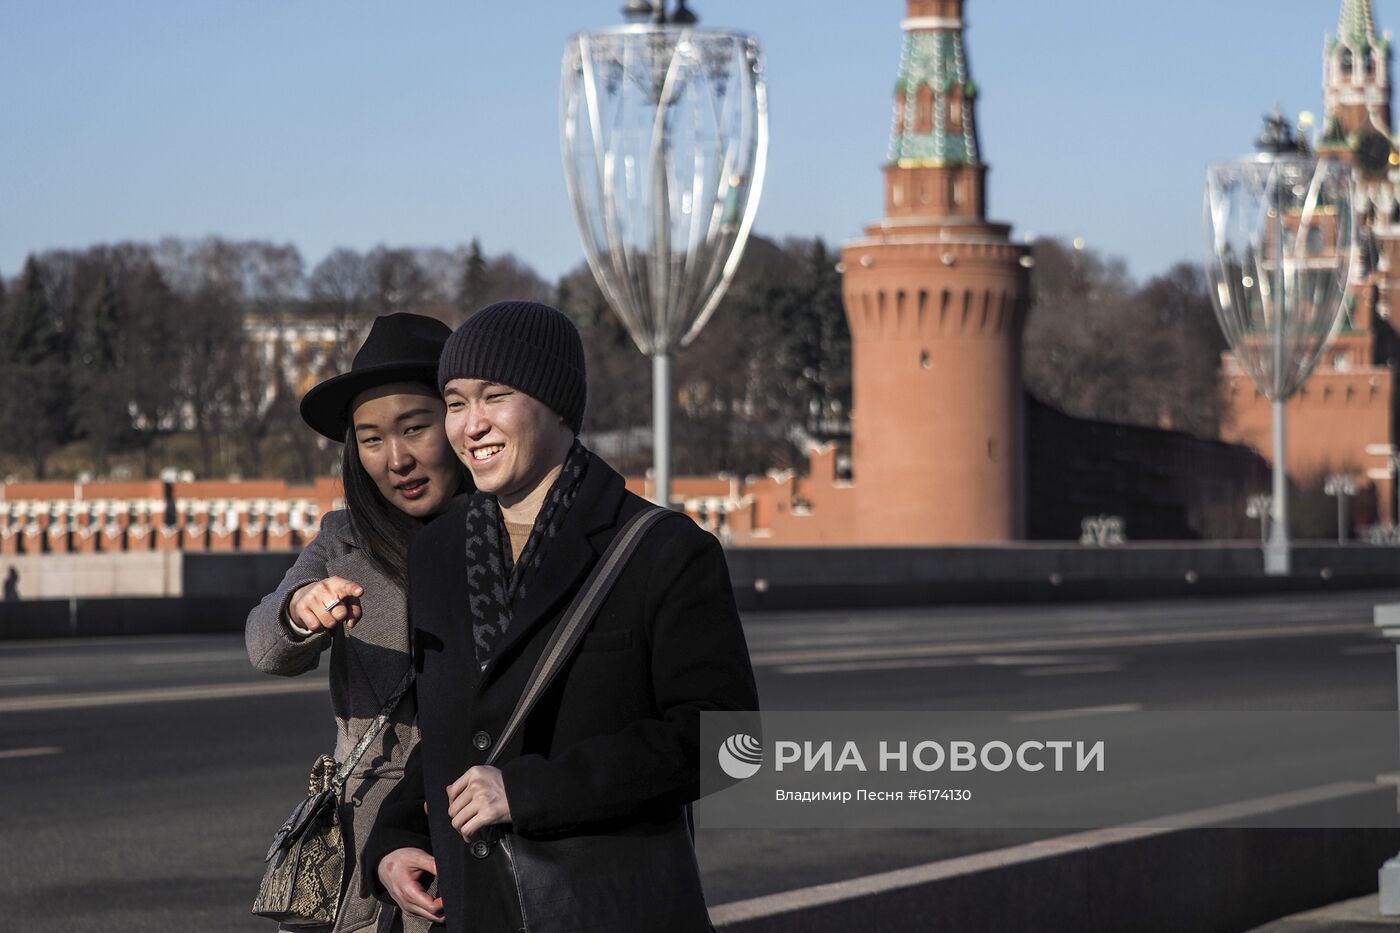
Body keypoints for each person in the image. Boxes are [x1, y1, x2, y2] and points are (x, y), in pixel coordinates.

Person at [365, 300, 759, 933]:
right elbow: (451, 733)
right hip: (472, 911)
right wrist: (397, 837)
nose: (471, 425)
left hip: (609, 909)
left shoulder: (663, 550)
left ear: (555, 403)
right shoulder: (437, 552)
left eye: (496, 396)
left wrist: (529, 793)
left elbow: (728, 744)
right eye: (457, 403)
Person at [247, 312, 470, 933]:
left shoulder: (506, 536)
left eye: (415, 428)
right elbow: (266, 647)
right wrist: (301, 610)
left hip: (470, 816)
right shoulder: (343, 540)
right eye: (371, 439)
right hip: (365, 829)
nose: (395, 458)